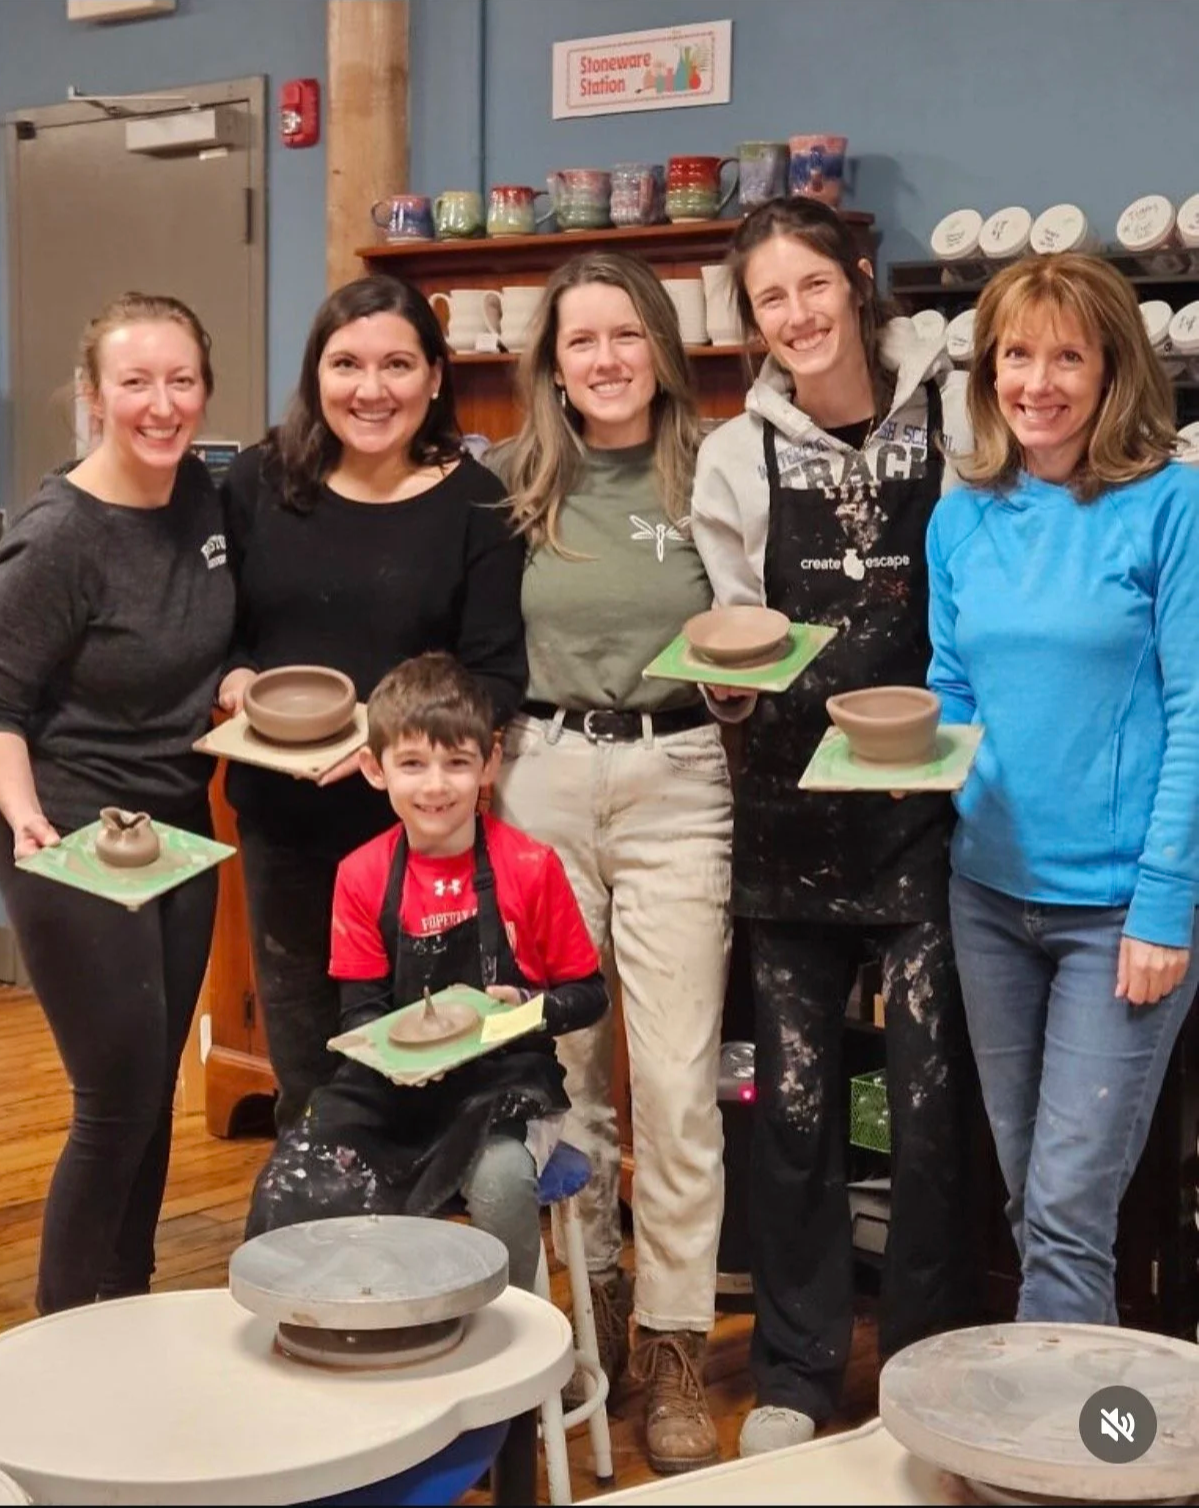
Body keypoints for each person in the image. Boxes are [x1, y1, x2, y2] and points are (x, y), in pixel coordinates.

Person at [689, 196, 977, 1456]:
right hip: (791, 806)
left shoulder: (954, 404)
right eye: (770, 301)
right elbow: (732, 617)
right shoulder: (732, 453)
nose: (797, 316)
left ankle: (923, 1368)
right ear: (750, 321)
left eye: (813, 285)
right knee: (797, 1106)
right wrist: (717, 676)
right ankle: (798, 1371)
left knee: (927, 1103)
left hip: (927, 800)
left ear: (859, 279)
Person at [490, 251, 732, 1474]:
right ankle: (586, 1307)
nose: (605, 360)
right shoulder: (517, 481)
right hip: (542, 771)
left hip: (680, 777)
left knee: (679, 1079)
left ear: (662, 346)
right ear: (554, 363)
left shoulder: (716, 466)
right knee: (563, 1066)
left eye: (625, 336)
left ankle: (676, 1341)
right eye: (580, 341)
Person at [927, 251, 1199, 1324]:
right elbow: (955, 680)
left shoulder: (1169, 504)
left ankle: (1070, 1464)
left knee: (1069, 1208)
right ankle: (1067, 1442)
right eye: (1016, 353)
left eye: (1068, 355)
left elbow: (1195, 712)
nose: (1038, 380)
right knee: (1029, 1196)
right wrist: (914, 751)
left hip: (1120, 916)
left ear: (1112, 369)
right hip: (988, 897)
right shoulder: (963, 516)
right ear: (987, 368)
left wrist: (1166, 905)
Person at [218, 275, 527, 1130]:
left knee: (430, 1066)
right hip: (284, 822)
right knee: (311, 1075)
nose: (371, 388)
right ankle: (320, 1228)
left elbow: (497, 671)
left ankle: (429, 1240)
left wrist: (410, 750)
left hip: (421, 833)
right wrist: (234, 676)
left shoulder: (478, 503)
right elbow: (218, 628)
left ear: (435, 377)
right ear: (317, 373)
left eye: (397, 364)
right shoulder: (257, 482)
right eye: (346, 363)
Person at [0, 292, 233, 1313]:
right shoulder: (58, 536)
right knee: (117, 1095)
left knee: (155, 1092)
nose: (161, 402)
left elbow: (221, 631)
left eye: (181, 379)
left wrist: (239, 679)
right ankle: (57, 1347)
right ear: (93, 397)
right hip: (74, 824)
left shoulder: (202, 501)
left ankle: (124, 1302)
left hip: (177, 819)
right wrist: (24, 819)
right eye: (136, 381)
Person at [246, 652, 607, 1290]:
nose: (435, 786)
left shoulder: (530, 866)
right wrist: (406, 1048)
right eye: (412, 764)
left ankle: (510, 1358)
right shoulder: (361, 874)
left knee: (497, 1182)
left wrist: (529, 1007)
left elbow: (589, 994)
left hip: (507, 1083)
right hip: (393, 1085)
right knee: (291, 1176)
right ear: (374, 769)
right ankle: (338, 1340)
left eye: (456, 763)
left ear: (488, 765)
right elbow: (360, 1016)